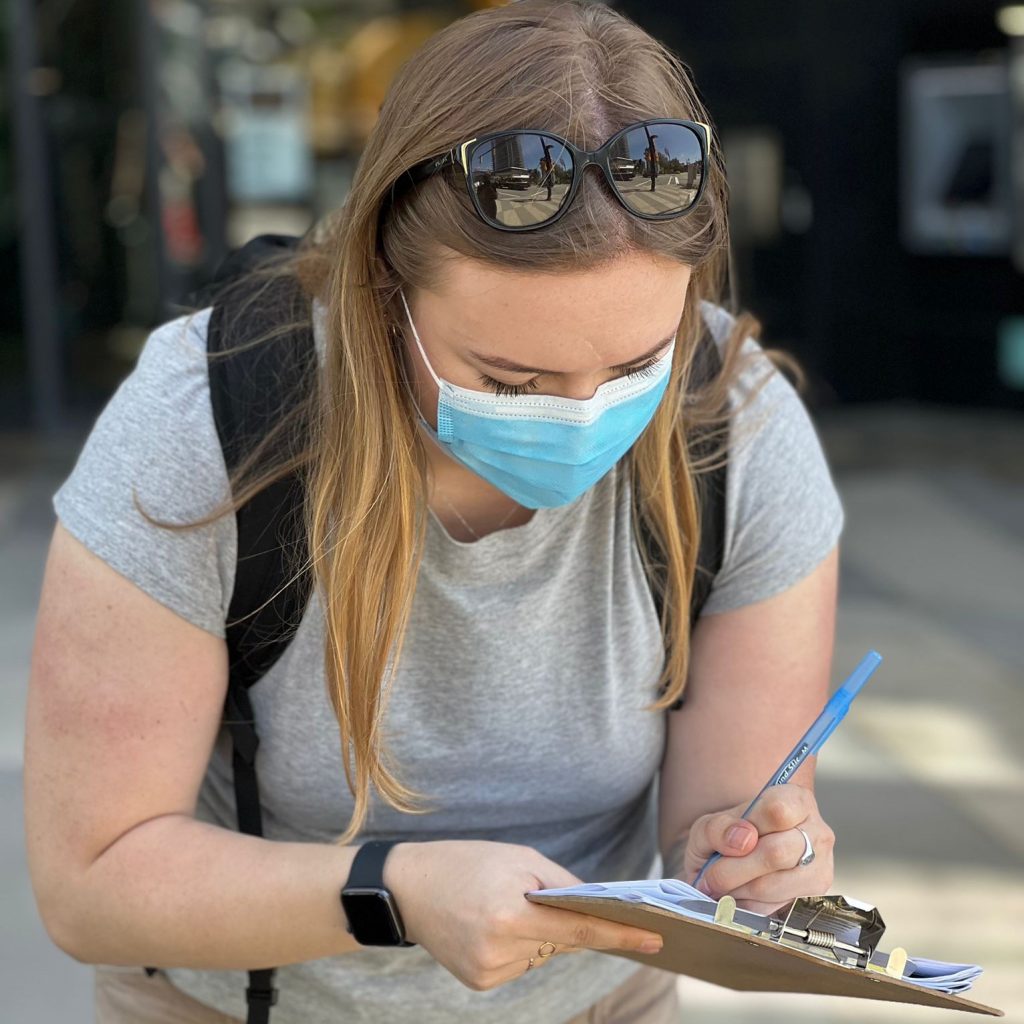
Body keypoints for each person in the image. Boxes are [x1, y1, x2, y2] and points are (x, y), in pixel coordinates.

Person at [23, 2, 843, 1023]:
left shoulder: (737, 426)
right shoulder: (206, 416)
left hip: (593, 1003)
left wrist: (755, 858)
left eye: (637, 365)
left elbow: (714, 831)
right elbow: (90, 880)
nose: (581, 415)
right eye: (508, 376)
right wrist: (393, 891)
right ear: (380, 290)